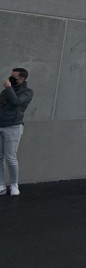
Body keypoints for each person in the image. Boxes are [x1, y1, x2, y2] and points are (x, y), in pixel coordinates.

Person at [0, 68, 33, 196]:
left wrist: (8, 88)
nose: (11, 78)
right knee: (0, 157)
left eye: (15, 76)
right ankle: (1, 184)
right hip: (0, 125)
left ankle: (14, 185)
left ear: (22, 79)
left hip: (13, 127)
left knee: (11, 157)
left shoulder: (27, 92)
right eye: (11, 75)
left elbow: (16, 102)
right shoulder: (6, 91)